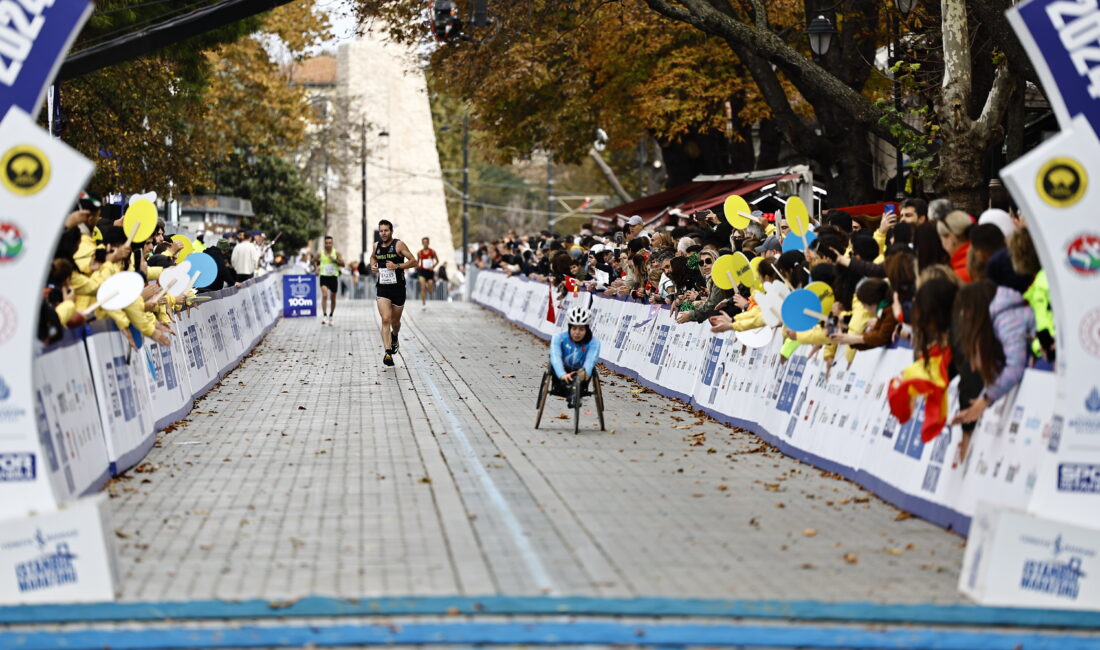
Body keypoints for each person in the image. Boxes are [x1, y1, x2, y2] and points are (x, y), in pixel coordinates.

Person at [370, 219, 417, 367]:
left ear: (391, 231)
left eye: (386, 230)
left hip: (398, 289)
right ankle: (388, 353)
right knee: (385, 319)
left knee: (395, 323)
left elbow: (414, 261)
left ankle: (394, 336)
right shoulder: (376, 246)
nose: (383, 233)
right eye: (381, 231)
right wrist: (373, 265)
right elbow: (373, 256)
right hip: (383, 288)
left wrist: (397, 265)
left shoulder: (398, 245)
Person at [549, 305, 601, 408]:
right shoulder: (558, 338)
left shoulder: (594, 342)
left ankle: (574, 394)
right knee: (552, 363)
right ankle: (569, 389)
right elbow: (556, 357)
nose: (577, 333)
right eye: (574, 328)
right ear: (569, 328)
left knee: (581, 376)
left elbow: (591, 360)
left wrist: (584, 372)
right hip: (561, 371)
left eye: (581, 329)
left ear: (586, 330)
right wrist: (562, 374)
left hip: (581, 372)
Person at [317, 235, 344, 325]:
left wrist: (335, 260)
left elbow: (343, 264)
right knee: (324, 295)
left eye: (330, 243)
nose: (328, 244)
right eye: (326, 243)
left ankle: (331, 315)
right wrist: (317, 267)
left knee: (333, 297)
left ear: (332, 243)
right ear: (324, 244)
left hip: (333, 277)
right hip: (324, 276)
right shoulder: (320, 253)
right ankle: (324, 316)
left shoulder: (336, 253)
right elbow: (314, 260)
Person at [416, 236, 439, 308]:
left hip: (430, 271)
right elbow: (418, 262)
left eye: (426, 242)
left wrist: (433, 266)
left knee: (430, 287)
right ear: (422, 243)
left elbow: (437, 261)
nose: (425, 244)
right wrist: (416, 266)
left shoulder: (432, 252)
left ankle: (429, 289)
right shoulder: (419, 252)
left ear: (428, 243)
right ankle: (423, 304)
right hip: (422, 271)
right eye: (424, 242)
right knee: (422, 287)